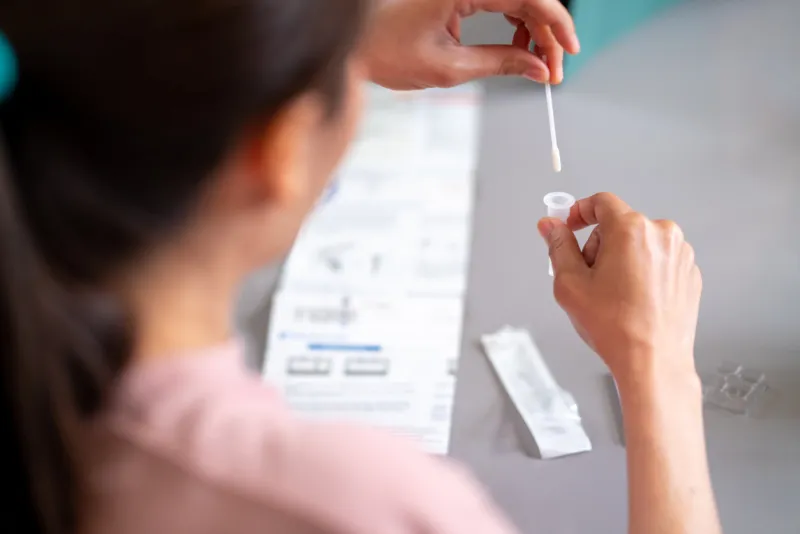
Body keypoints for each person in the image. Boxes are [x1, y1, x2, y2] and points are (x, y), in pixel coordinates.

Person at [0, 1, 720, 534]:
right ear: (276, 151)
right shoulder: (361, 505)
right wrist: (657, 368)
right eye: (347, 78)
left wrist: (330, 43)